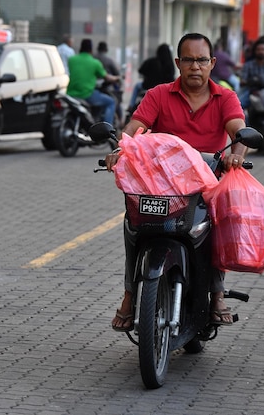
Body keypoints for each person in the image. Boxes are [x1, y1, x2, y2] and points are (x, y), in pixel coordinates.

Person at [104, 33, 250, 331]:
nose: (194, 67)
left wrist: (236, 154)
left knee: (220, 220)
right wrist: (120, 149)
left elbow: (238, 128)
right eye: (188, 60)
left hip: (205, 185)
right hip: (160, 186)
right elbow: (135, 127)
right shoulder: (158, 94)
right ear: (177, 63)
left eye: (201, 60)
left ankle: (217, 294)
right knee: (133, 225)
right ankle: (130, 295)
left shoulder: (226, 97)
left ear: (212, 63)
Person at [67, 38, 120, 124]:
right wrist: (117, 78)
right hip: (86, 94)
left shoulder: (71, 60)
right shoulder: (95, 63)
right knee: (111, 102)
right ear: (91, 50)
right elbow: (107, 77)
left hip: (70, 94)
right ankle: (107, 130)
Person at [128, 43, 175, 109]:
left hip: (147, 86)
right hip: (164, 90)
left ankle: (131, 106)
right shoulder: (170, 65)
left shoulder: (151, 61)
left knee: (137, 86)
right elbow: (171, 78)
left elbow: (140, 70)